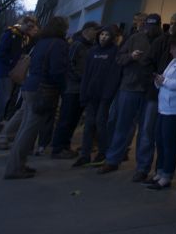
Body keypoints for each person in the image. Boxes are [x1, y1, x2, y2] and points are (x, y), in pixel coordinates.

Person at [4, 16, 71, 179]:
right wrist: (64, 87)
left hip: (31, 86)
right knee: (30, 129)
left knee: (25, 127)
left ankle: (17, 164)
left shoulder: (41, 42)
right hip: (44, 90)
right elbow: (57, 70)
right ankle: (15, 167)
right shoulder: (59, 44)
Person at [100, 13, 164, 180]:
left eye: (153, 26)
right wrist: (130, 57)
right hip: (130, 87)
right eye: (148, 25)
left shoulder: (163, 41)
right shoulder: (135, 38)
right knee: (123, 126)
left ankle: (142, 168)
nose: (150, 29)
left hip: (150, 90)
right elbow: (119, 58)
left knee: (146, 131)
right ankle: (113, 159)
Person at [49, 21, 100, 159]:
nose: (98, 34)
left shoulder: (91, 46)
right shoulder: (77, 45)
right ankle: (58, 147)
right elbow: (69, 65)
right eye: (96, 30)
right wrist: (80, 78)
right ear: (88, 30)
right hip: (73, 88)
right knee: (67, 118)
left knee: (73, 119)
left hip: (81, 88)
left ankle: (64, 145)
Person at [76, 25, 124, 166]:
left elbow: (114, 75)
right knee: (89, 124)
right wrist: (84, 92)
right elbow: (87, 73)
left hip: (104, 95)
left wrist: (108, 94)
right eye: (102, 34)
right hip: (91, 94)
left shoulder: (115, 52)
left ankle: (102, 152)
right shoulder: (92, 51)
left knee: (100, 123)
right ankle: (85, 154)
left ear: (112, 38)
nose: (103, 37)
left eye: (106, 35)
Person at [150, 32, 176, 189]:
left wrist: (163, 80)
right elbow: (167, 80)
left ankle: (167, 174)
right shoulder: (174, 61)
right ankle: (160, 171)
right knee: (160, 141)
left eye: (173, 48)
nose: (171, 51)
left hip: (175, 109)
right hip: (164, 107)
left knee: (169, 143)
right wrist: (159, 81)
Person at [0, 15, 35, 133]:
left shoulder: (21, 37)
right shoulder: (12, 34)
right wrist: (14, 60)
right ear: (23, 23)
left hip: (7, 71)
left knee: (1, 97)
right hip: (5, 71)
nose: (30, 29)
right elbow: (2, 52)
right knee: (2, 98)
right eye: (29, 26)